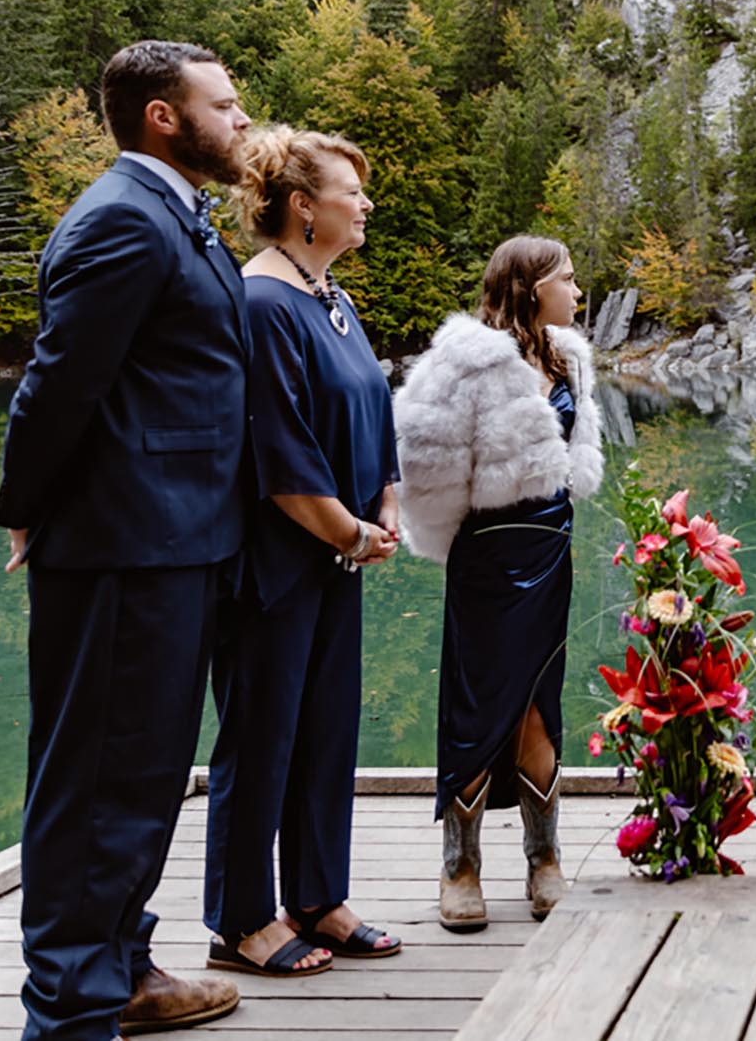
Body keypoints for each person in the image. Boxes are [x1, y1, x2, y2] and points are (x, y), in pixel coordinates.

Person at [0, 41, 251, 1039]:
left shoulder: (173, 215)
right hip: (117, 548)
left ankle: (124, 966)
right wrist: (28, 504)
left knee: (139, 776)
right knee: (98, 782)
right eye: (222, 106)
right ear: (162, 116)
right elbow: (58, 384)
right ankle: (69, 1007)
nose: (240, 121)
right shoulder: (119, 221)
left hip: (175, 542)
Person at [201, 128, 401, 979]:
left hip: (339, 556)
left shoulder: (330, 296)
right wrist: (348, 528)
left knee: (326, 730)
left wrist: (383, 501)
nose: (364, 204)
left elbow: (372, 411)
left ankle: (318, 895)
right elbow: (278, 451)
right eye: (349, 191)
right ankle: (243, 917)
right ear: (301, 206)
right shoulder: (260, 301)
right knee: (261, 735)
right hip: (274, 564)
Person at [393, 236, 605, 931]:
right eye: (567, 279)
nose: (578, 290)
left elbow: (572, 456)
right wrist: (460, 534)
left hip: (553, 550)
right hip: (487, 556)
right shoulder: (465, 364)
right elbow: (421, 462)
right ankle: (460, 865)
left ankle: (544, 859)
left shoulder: (568, 356)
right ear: (529, 284)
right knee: (478, 705)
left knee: (540, 703)